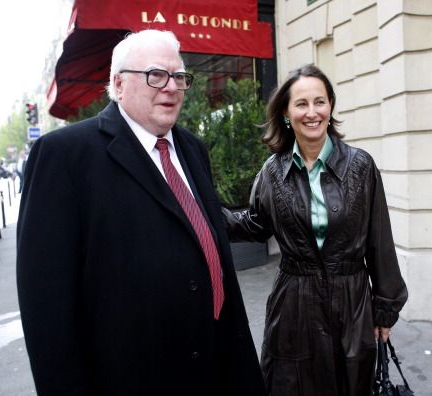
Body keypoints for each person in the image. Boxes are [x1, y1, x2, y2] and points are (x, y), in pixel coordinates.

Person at [17, 29, 266, 396]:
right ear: (118, 84)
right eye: (155, 75)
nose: (170, 87)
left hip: (214, 369)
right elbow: (47, 307)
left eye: (179, 77)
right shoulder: (65, 156)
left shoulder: (192, 149)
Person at [224, 64, 409, 396]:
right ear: (286, 113)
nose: (312, 112)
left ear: (330, 106)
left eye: (320, 102)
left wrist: (385, 309)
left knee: (351, 385)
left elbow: (380, 241)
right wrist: (202, 212)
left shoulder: (360, 166)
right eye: (301, 104)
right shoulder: (272, 172)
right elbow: (256, 224)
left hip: (351, 304)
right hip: (293, 305)